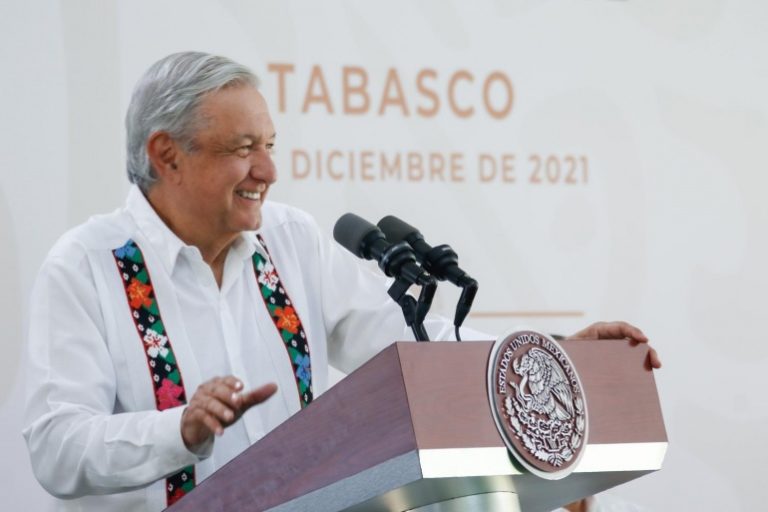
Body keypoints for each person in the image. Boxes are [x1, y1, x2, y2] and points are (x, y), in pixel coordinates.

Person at [22, 52, 661, 512]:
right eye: (244, 148)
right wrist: (179, 432)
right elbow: (55, 447)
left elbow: (408, 347)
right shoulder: (85, 267)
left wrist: (549, 359)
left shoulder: (290, 239)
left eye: (269, 144)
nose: (268, 170)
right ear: (167, 155)